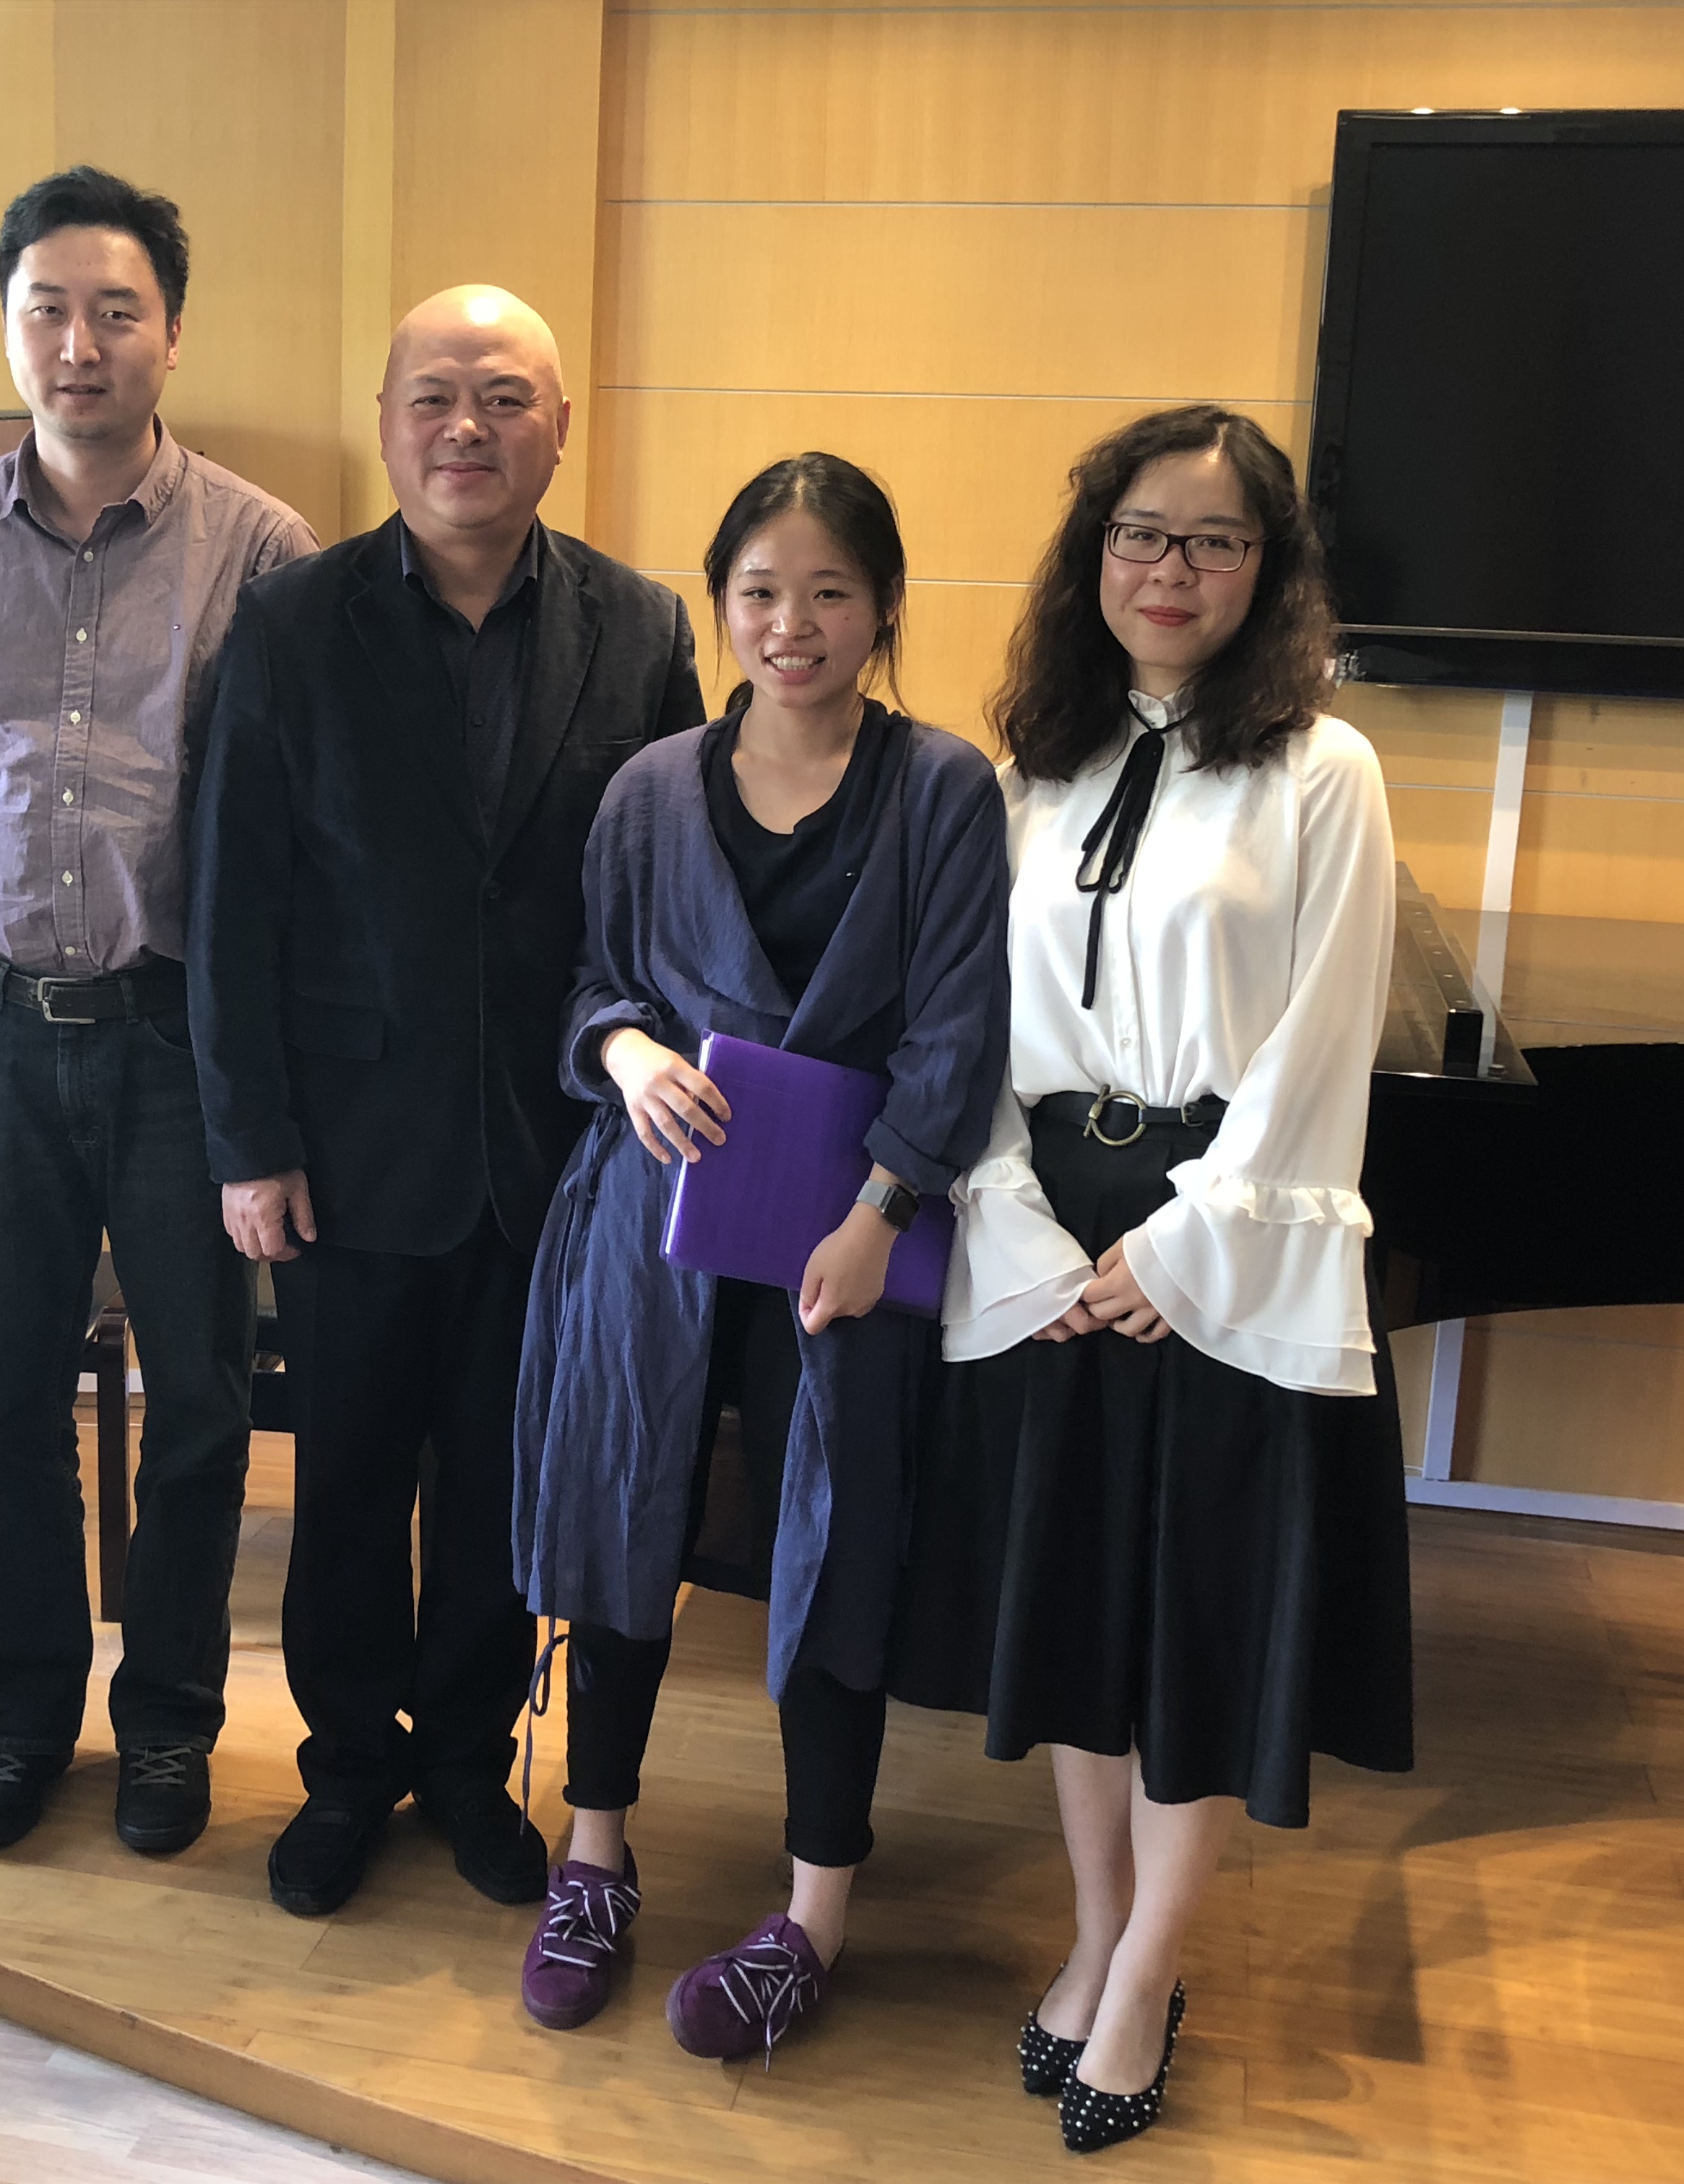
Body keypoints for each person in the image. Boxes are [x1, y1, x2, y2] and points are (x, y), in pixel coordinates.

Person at [889, 406, 1415, 2153]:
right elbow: (968, 1017)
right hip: (1050, 1227)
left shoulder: (1324, 770)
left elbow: (1325, 1036)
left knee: (1193, 1624)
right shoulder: (1029, 764)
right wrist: (1019, 1221)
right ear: (1092, 553)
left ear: (1268, 569)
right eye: (1139, 533)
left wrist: (1184, 1245)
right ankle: (1100, 1931)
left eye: (1212, 540)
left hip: (1220, 1230)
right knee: (1076, 1617)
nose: (1169, 569)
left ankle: (1149, 1967)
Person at [190, 285, 704, 1919]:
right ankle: (348, 1770)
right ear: (387, 421)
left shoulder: (641, 629)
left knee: (498, 1481)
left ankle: (474, 1765)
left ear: (559, 428)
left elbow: (670, 895)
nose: (465, 429)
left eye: (502, 398)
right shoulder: (292, 623)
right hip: (345, 1154)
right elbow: (233, 904)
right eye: (433, 397)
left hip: (557, 1150)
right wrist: (250, 1142)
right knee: (346, 1482)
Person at [508, 456, 1009, 2059]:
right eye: (760, 592)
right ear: (719, 603)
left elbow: (958, 1031)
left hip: (848, 1243)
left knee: (831, 1552)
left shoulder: (944, 791)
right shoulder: (652, 789)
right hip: (653, 1231)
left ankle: (813, 1915)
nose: (792, 625)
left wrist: (880, 1215)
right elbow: (590, 982)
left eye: (830, 592)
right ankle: (594, 1858)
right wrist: (627, 1050)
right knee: (624, 1520)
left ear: (885, 608)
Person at [0, 168, 316, 1855]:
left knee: (201, 1399)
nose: (80, 342)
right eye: (48, 310)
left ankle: (170, 1729)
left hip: (176, 1034)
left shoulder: (262, 547)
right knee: (5, 1401)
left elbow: (278, 829)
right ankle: (18, 1722)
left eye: (116, 311)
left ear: (172, 336)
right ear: (9, 330)